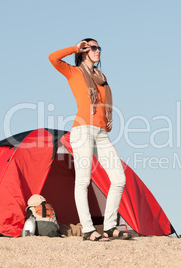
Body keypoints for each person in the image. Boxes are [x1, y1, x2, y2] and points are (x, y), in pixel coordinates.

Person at [49, 38, 131, 241]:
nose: (97, 50)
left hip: (101, 133)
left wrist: (107, 120)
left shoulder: (101, 78)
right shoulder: (74, 72)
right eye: (92, 47)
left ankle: (110, 226)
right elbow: (53, 58)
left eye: (98, 47)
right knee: (83, 180)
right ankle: (87, 229)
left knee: (119, 179)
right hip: (82, 130)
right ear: (84, 51)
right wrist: (74, 48)